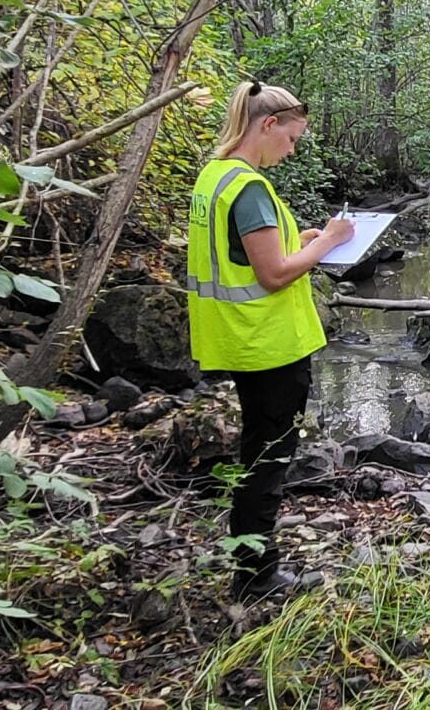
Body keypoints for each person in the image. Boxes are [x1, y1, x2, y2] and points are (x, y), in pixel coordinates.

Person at [185, 81, 353, 601]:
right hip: (268, 343)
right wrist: (327, 241)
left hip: (239, 338)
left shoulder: (216, 176)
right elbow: (275, 274)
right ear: (267, 125)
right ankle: (256, 575)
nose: (293, 149)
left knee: (257, 449)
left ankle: (249, 564)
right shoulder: (249, 187)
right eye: (292, 138)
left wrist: (297, 239)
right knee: (267, 459)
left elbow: (247, 253)